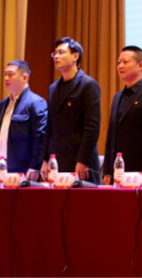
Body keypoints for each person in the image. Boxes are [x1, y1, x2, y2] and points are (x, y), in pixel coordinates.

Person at [103, 46, 142, 184]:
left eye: (125, 62)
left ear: (140, 65)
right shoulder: (117, 97)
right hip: (118, 175)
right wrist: (107, 170)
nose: (120, 66)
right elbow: (111, 135)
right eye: (118, 62)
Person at [41, 37, 101, 184]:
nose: (56, 56)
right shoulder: (53, 88)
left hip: (79, 161)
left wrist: (83, 160)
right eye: (55, 53)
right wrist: (45, 159)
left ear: (75, 56)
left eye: (61, 52)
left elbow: (91, 128)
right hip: (56, 161)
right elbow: (50, 127)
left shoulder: (88, 85)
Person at [0, 60, 47, 181]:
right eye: (5, 74)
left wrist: (35, 166)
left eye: (11, 74)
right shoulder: (2, 105)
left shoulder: (36, 102)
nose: (6, 78)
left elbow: (41, 138)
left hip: (24, 169)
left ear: (25, 77)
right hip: (2, 167)